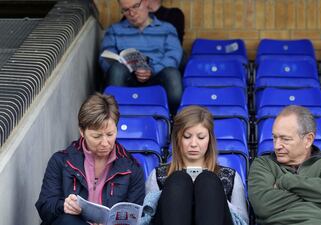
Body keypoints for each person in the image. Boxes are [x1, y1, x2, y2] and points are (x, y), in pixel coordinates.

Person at [35, 93, 145, 225]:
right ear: (82, 132)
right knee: (67, 221)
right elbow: (44, 207)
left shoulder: (132, 168)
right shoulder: (61, 161)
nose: (105, 142)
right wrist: (63, 206)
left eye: (110, 134)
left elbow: (135, 218)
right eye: (97, 136)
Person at [248, 105, 321, 225]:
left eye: (285, 139)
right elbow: (263, 206)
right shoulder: (263, 164)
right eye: (274, 138)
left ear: (308, 139)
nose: (277, 146)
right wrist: (320, 195)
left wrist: (286, 181)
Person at [145, 105, 248, 225]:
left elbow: (242, 222)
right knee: (178, 180)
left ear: (209, 139)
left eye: (201, 137)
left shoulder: (230, 176)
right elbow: (147, 220)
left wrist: (218, 201)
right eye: (187, 137)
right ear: (178, 138)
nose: (194, 144)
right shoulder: (157, 176)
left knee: (208, 181)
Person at [100, 0, 183, 114]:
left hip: (157, 77)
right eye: (126, 10)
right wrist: (125, 66)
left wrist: (152, 69)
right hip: (127, 77)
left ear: (146, 2)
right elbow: (105, 58)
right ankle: (114, 117)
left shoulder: (167, 29)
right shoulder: (114, 30)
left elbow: (174, 56)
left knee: (172, 74)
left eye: (135, 6)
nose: (132, 13)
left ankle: (172, 119)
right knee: (116, 70)